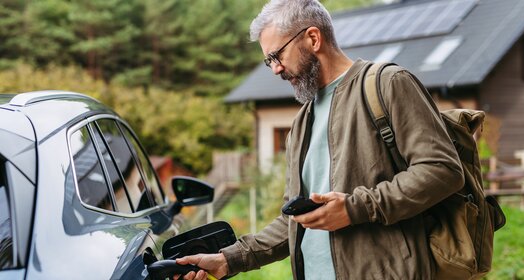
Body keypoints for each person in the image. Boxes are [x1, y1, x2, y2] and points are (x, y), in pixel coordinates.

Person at [175, 0, 464, 279]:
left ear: (313, 38)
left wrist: (354, 208)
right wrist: (229, 259)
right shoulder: (302, 122)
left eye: (277, 56)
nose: (275, 68)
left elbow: (442, 170)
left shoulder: (388, 84)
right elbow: (294, 221)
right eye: (268, 61)